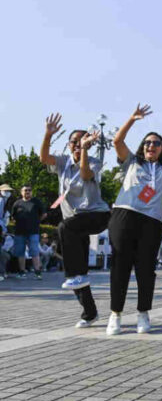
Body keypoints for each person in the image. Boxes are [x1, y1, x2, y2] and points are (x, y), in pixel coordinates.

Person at [105, 104, 162, 335]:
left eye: (156, 143)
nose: (151, 145)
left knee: (145, 268)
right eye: (148, 143)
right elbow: (117, 142)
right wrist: (132, 119)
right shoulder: (132, 162)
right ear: (143, 147)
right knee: (120, 266)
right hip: (125, 215)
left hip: (151, 222)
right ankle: (116, 314)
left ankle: (143, 313)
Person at [40, 114, 111, 328]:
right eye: (74, 142)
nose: (78, 145)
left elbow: (85, 173)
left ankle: (74, 275)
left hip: (96, 216)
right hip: (74, 226)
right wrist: (48, 134)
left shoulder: (94, 161)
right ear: (69, 145)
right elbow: (44, 158)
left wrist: (86, 151)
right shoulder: (62, 161)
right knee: (78, 273)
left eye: (82, 141)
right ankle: (89, 312)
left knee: (64, 228)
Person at [10, 185, 47, 280]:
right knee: (20, 252)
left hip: (33, 231)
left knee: (34, 252)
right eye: (25, 190)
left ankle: (38, 272)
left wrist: (36, 221)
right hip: (19, 232)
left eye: (29, 190)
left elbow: (44, 214)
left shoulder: (36, 202)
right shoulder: (17, 203)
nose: (27, 192)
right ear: (21, 192)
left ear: (32, 192)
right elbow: (13, 217)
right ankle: (22, 272)